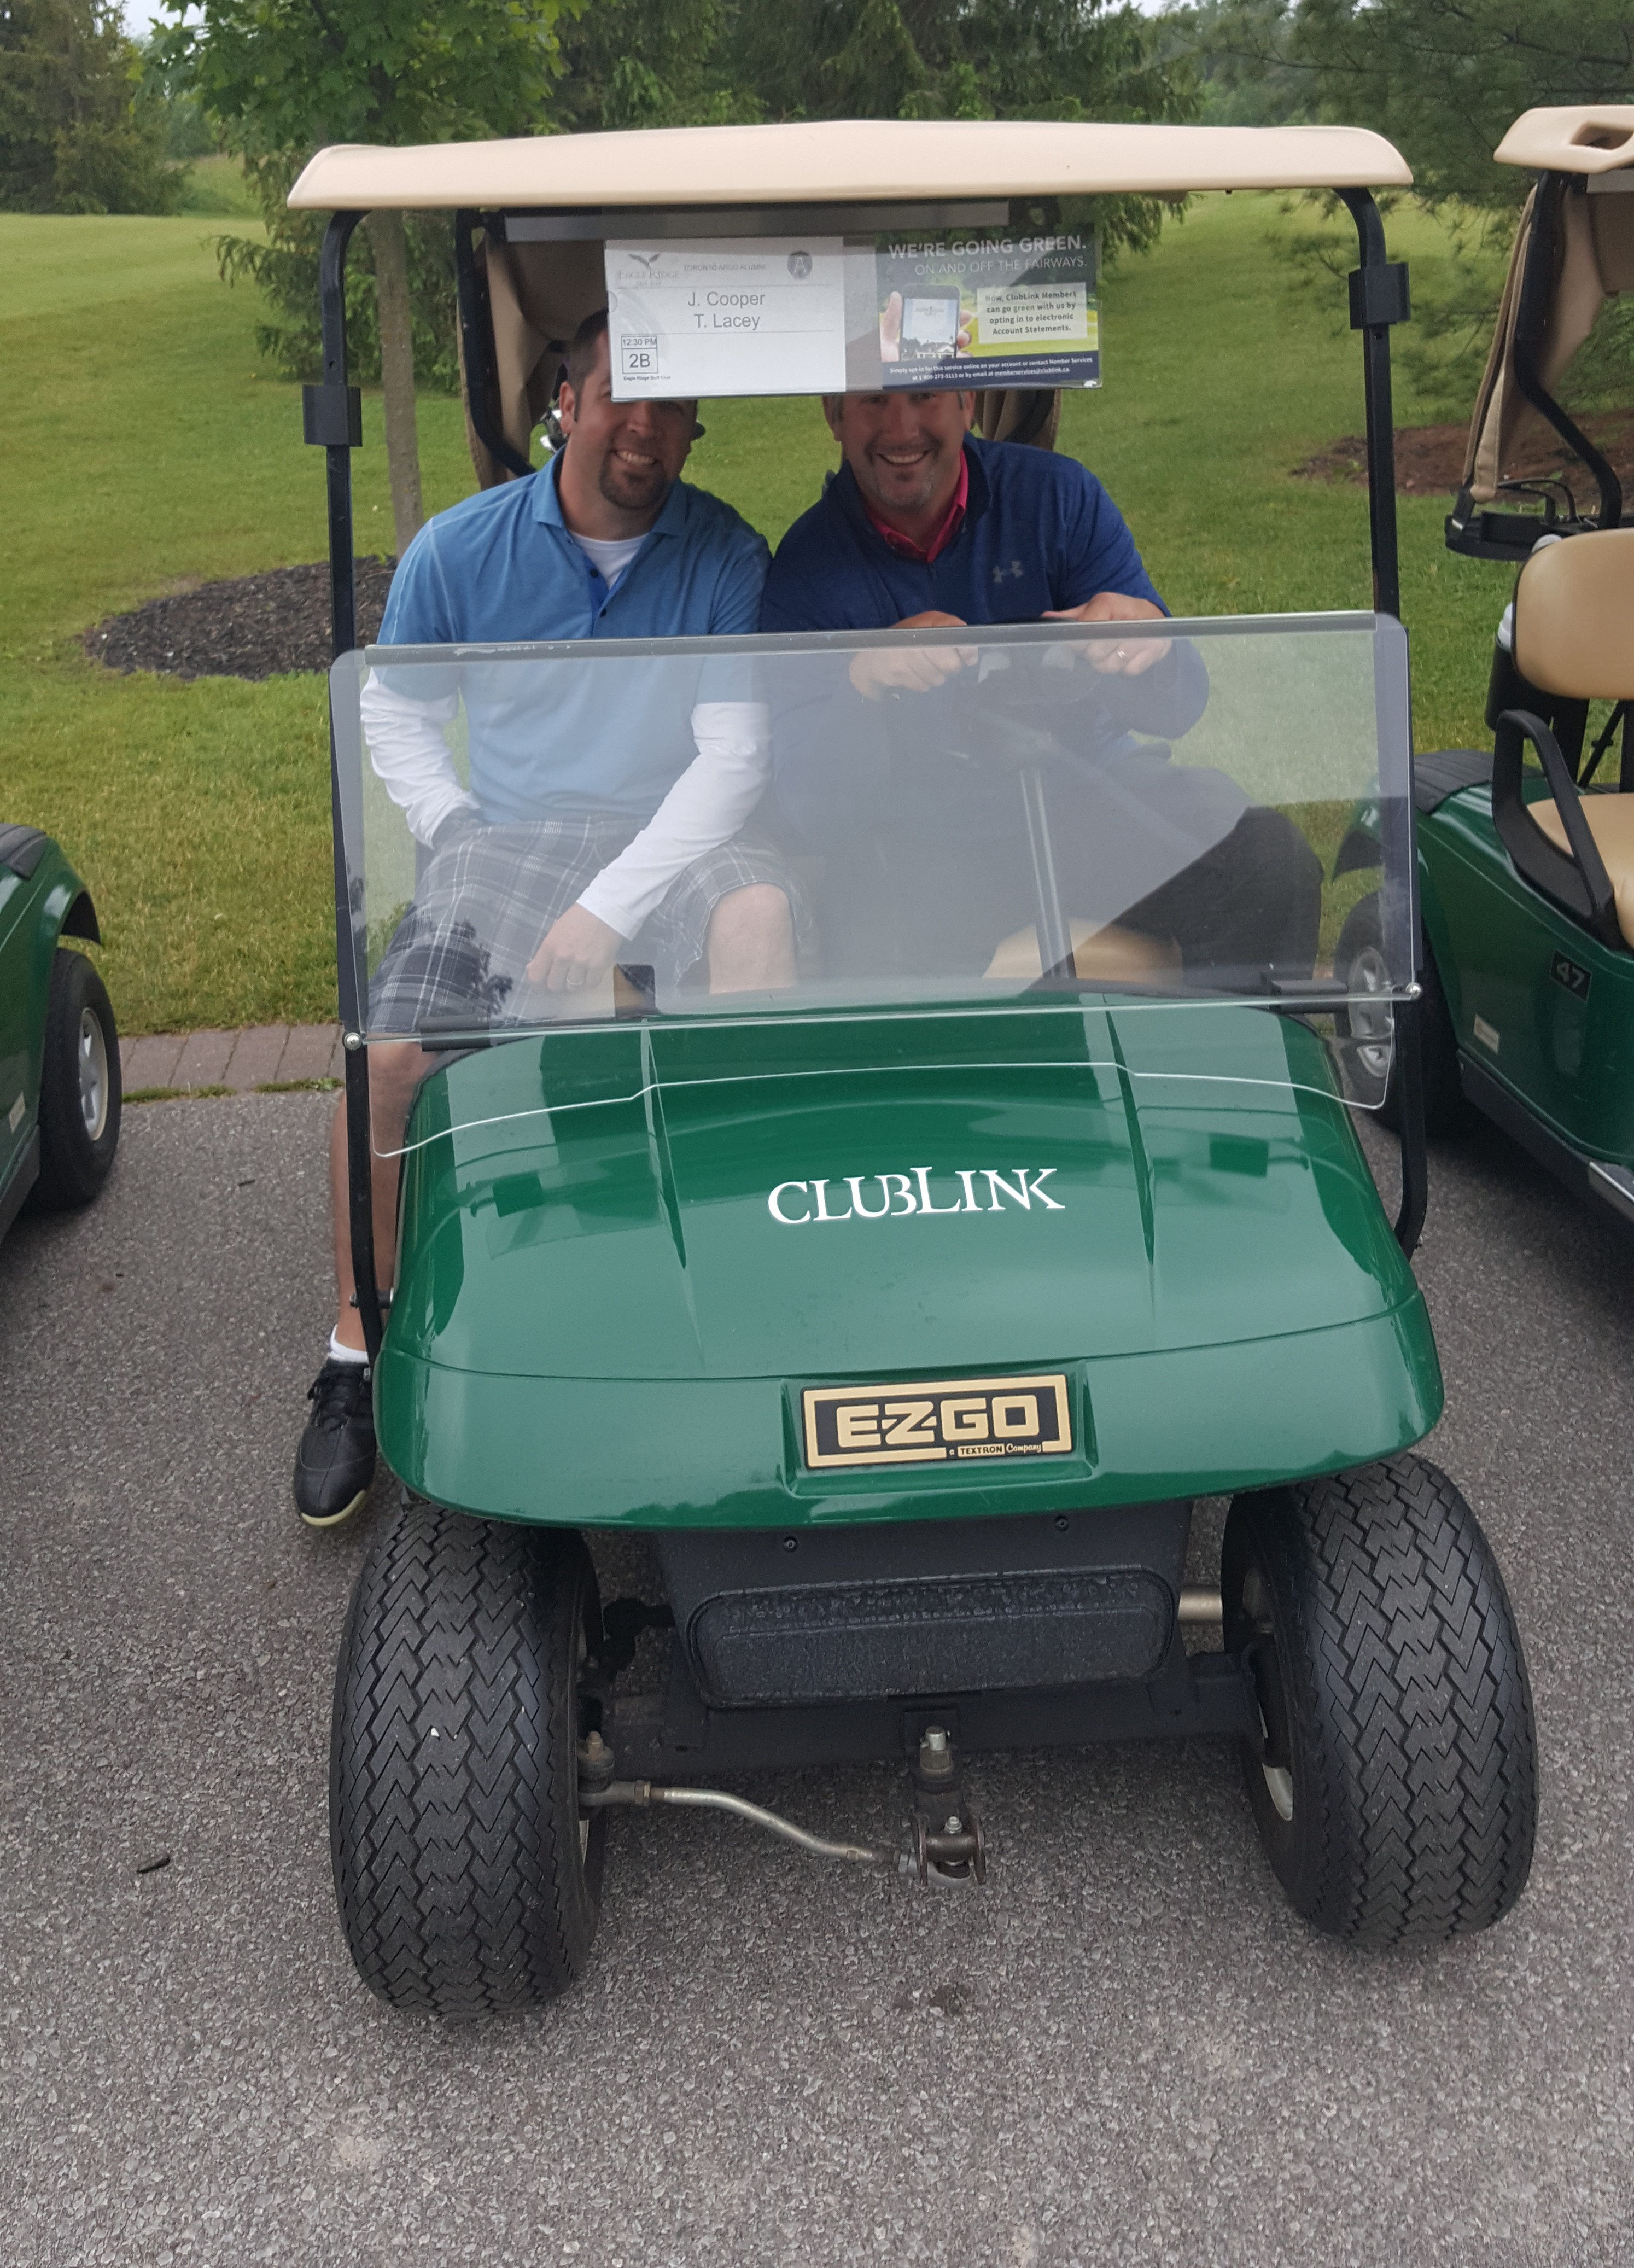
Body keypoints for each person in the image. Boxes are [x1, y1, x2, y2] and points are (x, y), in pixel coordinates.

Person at [294, 312, 796, 1529]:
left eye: (670, 404)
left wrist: (605, 909)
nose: (643, 426)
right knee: (390, 1059)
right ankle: (357, 1343)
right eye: (622, 394)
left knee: (759, 923)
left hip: (677, 826)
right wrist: (454, 826)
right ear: (565, 401)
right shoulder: (460, 548)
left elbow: (731, 761)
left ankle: (748, 1284)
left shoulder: (725, 551)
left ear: (695, 426)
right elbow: (395, 711)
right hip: (513, 837)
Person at [759, 384, 1322, 987]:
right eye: (874, 401)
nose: (901, 428)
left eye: (925, 396)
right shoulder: (805, 570)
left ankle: (1232, 1043)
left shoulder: (1057, 497)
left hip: (1084, 794)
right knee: (878, 953)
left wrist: (1146, 644)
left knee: (1266, 858)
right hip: (924, 836)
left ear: (967, 403)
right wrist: (863, 685)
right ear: (834, 415)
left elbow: (1178, 706)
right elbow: (811, 810)